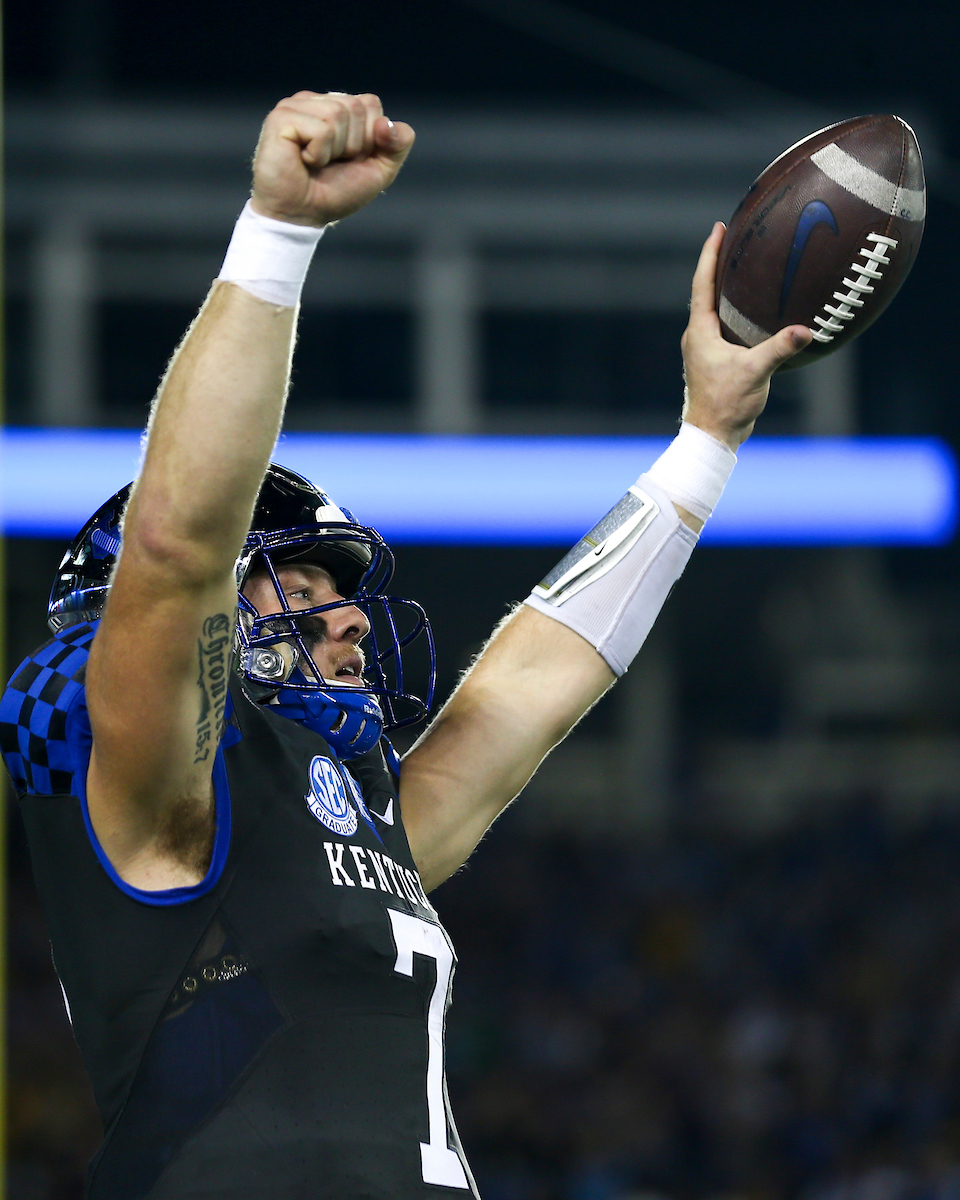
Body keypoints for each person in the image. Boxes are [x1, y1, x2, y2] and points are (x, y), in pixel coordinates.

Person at [0, 92, 811, 1199]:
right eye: (297, 582)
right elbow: (182, 540)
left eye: (342, 594)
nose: (343, 618)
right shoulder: (159, 794)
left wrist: (705, 441)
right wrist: (278, 234)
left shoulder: (358, 818)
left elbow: (525, 691)